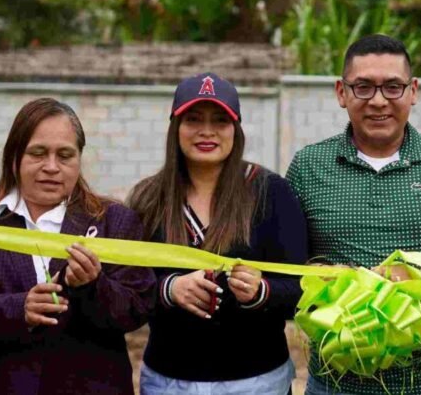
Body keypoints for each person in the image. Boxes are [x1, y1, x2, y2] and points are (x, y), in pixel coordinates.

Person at [286, 34, 421, 395]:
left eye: (392, 87)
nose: (378, 101)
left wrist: (400, 290)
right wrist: (328, 279)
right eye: (362, 87)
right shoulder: (308, 166)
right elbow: (292, 261)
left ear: (413, 91)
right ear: (341, 92)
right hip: (334, 380)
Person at [128, 72, 308, 395]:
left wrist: (261, 291)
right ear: (175, 128)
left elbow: (302, 289)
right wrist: (170, 289)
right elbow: (126, 290)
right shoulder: (148, 199)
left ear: (235, 130)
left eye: (220, 121)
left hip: (258, 382)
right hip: (168, 382)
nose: (206, 131)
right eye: (193, 119)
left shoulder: (271, 192)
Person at [0, 98, 155, 394]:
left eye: (65, 155)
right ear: (14, 158)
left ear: (79, 159)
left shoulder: (113, 221)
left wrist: (92, 286)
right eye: (38, 153)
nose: (52, 167)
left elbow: (137, 308)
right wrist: (16, 308)